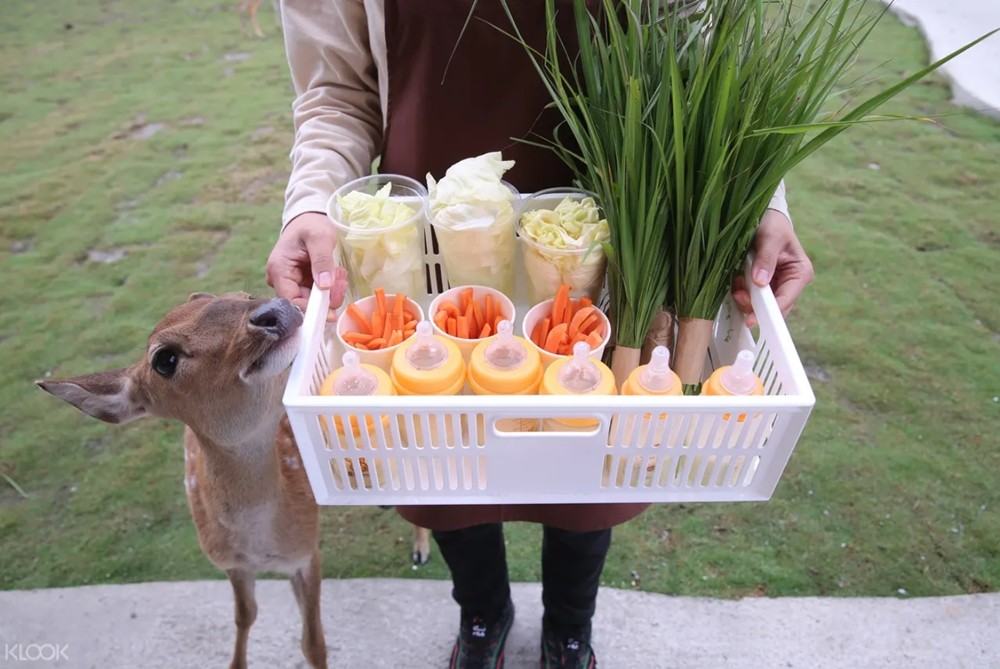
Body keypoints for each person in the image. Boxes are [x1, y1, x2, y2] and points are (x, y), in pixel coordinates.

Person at [265, 2, 814, 668]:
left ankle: (570, 625)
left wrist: (756, 203)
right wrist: (313, 203)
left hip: (616, 207)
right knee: (440, 444)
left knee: (590, 449)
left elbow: (713, 57)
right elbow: (335, 91)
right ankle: (483, 609)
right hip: (433, 228)